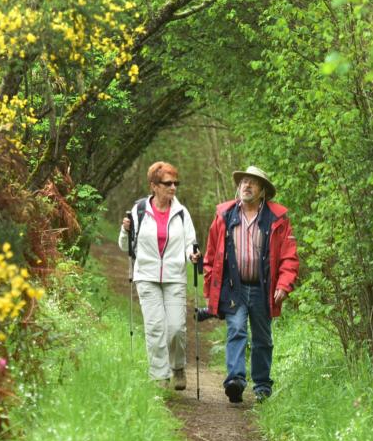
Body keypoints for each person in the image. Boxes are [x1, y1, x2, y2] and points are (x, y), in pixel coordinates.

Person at [201, 166, 299, 403]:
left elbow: (289, 256)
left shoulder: (277, 219)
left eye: (253, 183)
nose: (247, 185)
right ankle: (235, 380)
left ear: (262, 190)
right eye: (244, 181)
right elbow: (211, 256)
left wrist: (284, 284)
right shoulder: (224, 215)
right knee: (236, 329)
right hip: (233, 286)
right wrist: (209, 291)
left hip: (262, 288)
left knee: (262, 338)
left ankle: (262, 386)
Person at [119, 161, 200, 390]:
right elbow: (125, 245)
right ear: (154, 185)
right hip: (146, 275)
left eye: (176, 183)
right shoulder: (139, 210)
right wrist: (125, 230)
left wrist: (192, 255)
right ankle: (159, 377)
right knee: (155, 327)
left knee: (175, 329)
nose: (173, 187)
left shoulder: (182, 213)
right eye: (167, 183)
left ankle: (177, 367)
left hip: (174, 276)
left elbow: (189, 243)